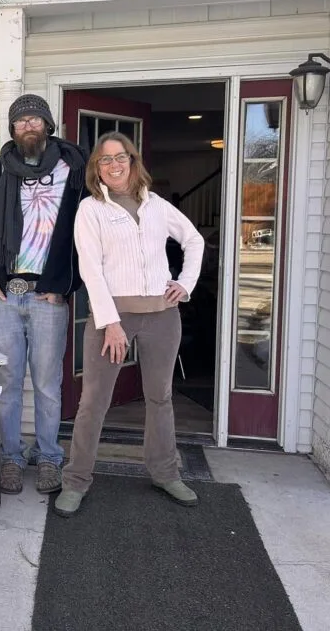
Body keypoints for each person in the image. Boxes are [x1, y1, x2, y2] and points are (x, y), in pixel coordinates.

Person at [54, 131, 205, 516]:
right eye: (105, 160)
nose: (114, 165)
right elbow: (91, 269)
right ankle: (76, 481)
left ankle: (166, 473)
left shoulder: (155, 205)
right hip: (112, 318)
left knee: (160, 397)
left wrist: (184, 285)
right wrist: (111, 322)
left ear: (132, 161)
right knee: (93, 402)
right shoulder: (91, 209)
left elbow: (194, 240)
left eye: (120, 157)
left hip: (162, 316)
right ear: (97, 169)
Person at [0, 94, 89, 496]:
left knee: (47, 384)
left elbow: (89, 238)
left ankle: (50, 457)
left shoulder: (75, 169)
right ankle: (10, 458)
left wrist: (66, 287)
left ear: (49, 125)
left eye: (36, 119)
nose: (28, 126)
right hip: (4, 296)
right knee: (7, 383)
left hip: (48, 296)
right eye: (21, 121)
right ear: (12, 129)